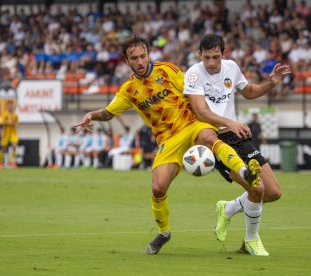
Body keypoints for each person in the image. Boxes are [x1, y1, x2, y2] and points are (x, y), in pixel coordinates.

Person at [73, 35, 260, 255]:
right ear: (127, 61)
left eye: (143, 56)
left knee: (210, 138)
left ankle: (245, 170)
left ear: (149, 54)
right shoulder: (129, 90)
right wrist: (91, 115)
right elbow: (109, 112)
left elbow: (196, 92)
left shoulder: (168, 70)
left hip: (192, 124)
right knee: (158, 188)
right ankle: (164, 233)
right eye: (135, 58)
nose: (141, 61)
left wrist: (219, 115)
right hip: (167, 140)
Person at [183, 34, 290, 256]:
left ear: (224, 53)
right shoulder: (193, 74)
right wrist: (229, 122)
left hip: (237, 135)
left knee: (273, 192)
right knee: (257, 188)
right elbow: (201, 111)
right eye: (206, 58)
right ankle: (251, 240)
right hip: (214, 139)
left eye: (215, 57)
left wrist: (271, 83)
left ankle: (228, 208)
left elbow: (248, 91)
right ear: (199, 55)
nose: (211, 63)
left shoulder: (231, 67)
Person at [0, 100, 19, 169]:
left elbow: (16, 123)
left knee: (14, 146)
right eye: (9, 106)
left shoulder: (15, 115)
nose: (10, 107)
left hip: (13, 133)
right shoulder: (4, 114)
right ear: (7, 107)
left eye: (11, 106)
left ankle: (12, 162)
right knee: (3, 149)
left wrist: (12, 123)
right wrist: (7, 122)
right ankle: (1, 162)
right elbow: (0, 122)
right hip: (5, 133)